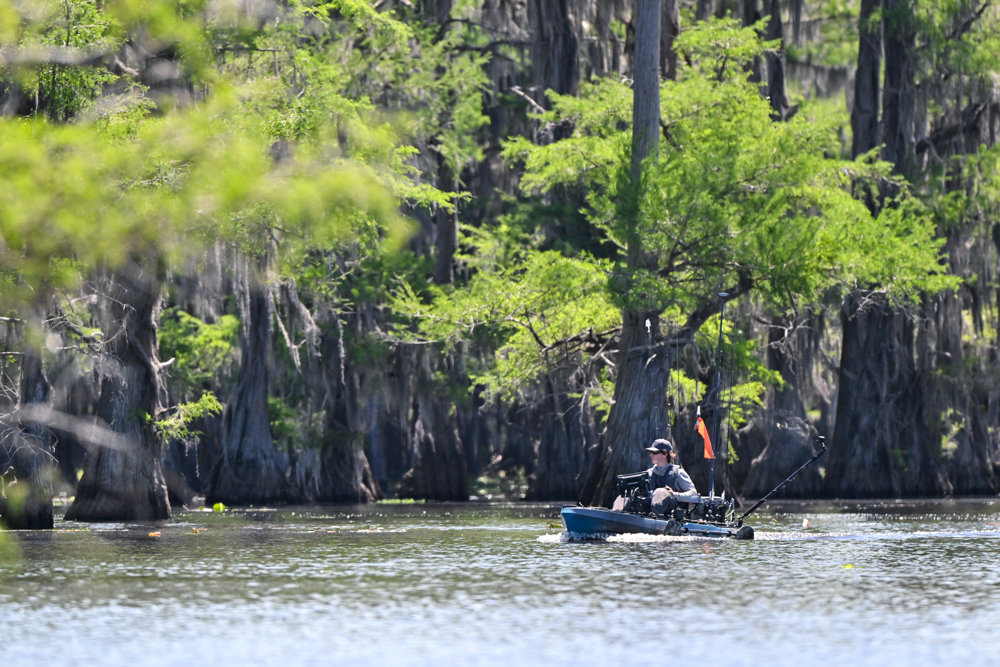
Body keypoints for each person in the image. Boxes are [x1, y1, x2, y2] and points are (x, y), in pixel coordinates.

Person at [643, 439, 699, 517]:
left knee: (660, 492)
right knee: (630, 497)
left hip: (671, 513)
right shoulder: (649, 473)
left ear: (665, 454)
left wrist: (674, 495)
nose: (651, 455)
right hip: (647, 509)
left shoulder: (678, 473)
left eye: (654, 452)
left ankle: (654, 518)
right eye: (651, 452)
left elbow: (693, 494)